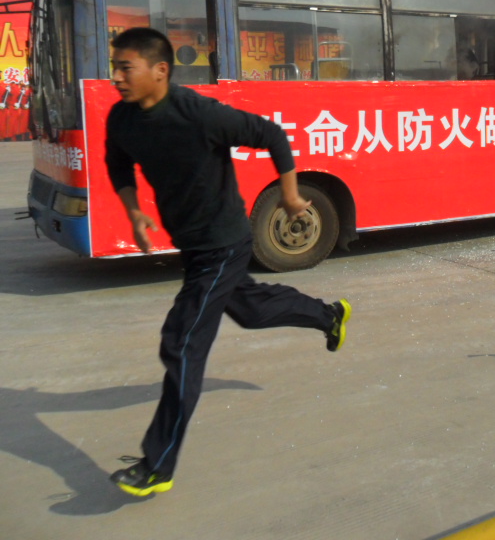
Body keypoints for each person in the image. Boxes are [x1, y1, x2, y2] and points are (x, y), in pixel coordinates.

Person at [104, 27, 351, 498]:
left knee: (182, 342)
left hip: (222, 243)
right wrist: (134, 212)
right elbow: (118, 164)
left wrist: (291, 195)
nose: (116, 77)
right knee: (251, 309)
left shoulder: (199, 114)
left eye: (125, 68)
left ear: (160, 70)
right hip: (193, 244)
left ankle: (158, 465)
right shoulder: (123, 118)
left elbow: (271, 134)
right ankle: (329, 315)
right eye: (115, 67)